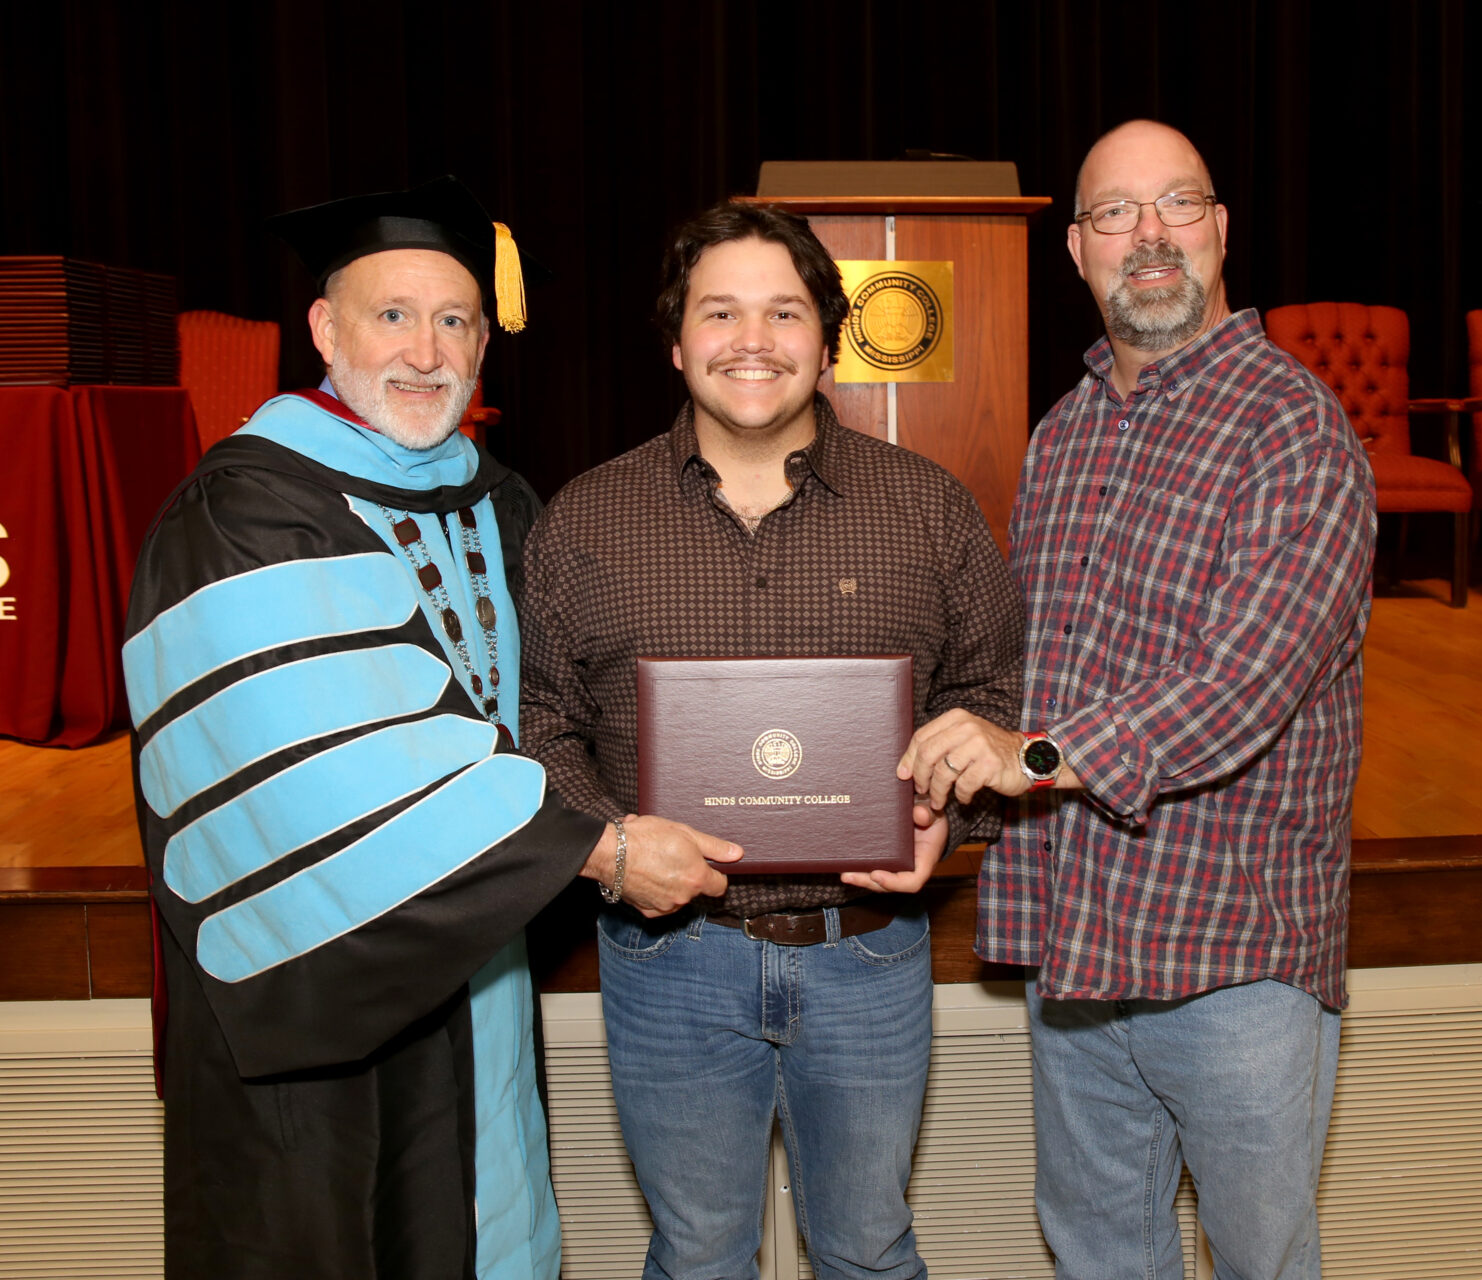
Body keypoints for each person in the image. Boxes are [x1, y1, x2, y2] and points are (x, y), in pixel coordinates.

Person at [122, 176, 739, 1280]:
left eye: (455, 320)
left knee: (489, 1204)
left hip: (478, 936)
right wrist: (601, 849)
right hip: (325, 971)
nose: (426, 352)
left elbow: (569, 697)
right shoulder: (247, 509)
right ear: (326, 330)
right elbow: (335, 765)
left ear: (485, 343)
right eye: (393, 315)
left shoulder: (499, 499)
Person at [898, 121, 1376, 1279]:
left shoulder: (1293, 427)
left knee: (1262, 1262)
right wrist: (936, 797)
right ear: (1077, 249)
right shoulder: (1063, 434)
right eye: (1117, 212)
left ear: (1221, 230)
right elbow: (1031, 680)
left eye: (1178, 204)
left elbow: (1240, 684)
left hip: (1232, 958)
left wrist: (1028, 757)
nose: (1150, 234)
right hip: (1080, 942)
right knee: (1099, 1255)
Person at [519, 201, 1024, 1280]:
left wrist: (948, 819)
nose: (753, 340)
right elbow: (542, 720)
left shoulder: (927, 509)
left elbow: (993, 692)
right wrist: (613, 846)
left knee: (871, 1250)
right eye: (720, 311)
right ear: (675, 339)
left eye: (785, 312)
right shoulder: (585, 521)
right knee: (698, 1254)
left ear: (827, 337)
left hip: (868, 950)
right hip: (668, 960)